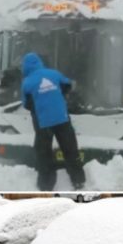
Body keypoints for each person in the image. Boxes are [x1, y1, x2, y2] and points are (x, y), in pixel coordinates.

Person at [21, 52, 85, 191]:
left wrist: (39, 103)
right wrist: (56, 95)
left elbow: (26, 103)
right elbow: (68, 85)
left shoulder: (27, 82)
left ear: (25, 67)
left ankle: (46, 184)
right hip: (62, 118)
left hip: (43, 123)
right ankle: (78, 180)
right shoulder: (54, 74)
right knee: (70, 149)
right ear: (39, 62)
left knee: (44, 154)